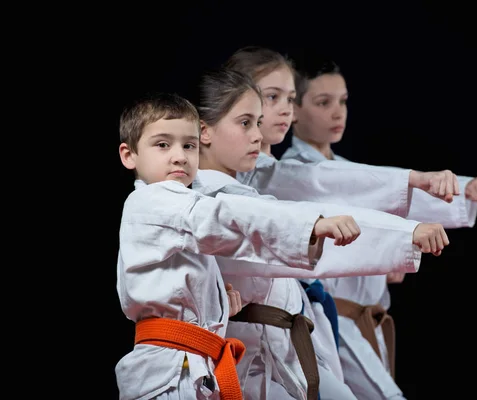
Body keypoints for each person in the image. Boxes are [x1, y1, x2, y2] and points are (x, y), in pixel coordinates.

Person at [224, 45, 477, 399]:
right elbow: (325, 189)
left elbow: (348, 187)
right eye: (272, 97)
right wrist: (405, 231)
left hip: (301, 325)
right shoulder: (260, 178)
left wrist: (443, 199)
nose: (283, 110)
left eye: (288, 98)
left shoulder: (275, 171)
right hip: (277, 330)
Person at [190, 67, 452, 400]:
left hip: (280, 348)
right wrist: (402, 233)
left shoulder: (242, 189)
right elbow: (283, 217)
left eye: (258, 123)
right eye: (245, 123)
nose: (258, 135)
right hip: (244, 358)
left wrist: (406, 230)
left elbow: (330, 186)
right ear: (205, 131)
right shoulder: (205, 201)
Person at [116, 92, 366, 400]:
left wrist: (218, 302)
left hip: (190, 366)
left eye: (189, 145)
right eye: (163, 145)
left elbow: (173, 288)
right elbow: (223, 216)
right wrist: (309, 224)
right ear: (129, 155)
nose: (179, 156)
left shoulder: (177, 206)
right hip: (170, 373)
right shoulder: (152, 201)